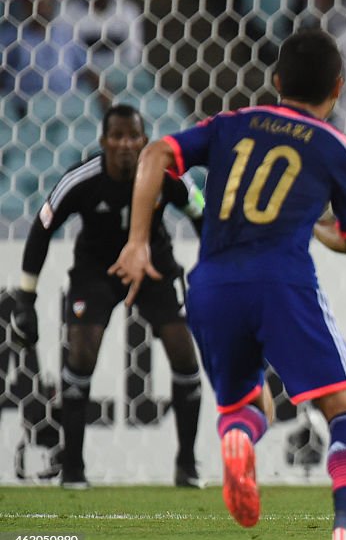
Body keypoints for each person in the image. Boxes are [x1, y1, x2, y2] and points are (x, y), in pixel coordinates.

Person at [108, 29, 346, 540]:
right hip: (282, 282)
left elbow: (154, 154)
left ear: (276, 81)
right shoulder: (338, 148)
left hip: (211, 284)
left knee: (248, 400)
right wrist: (315, 227)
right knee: (343, 409)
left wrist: (138, 241)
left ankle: (237, 437)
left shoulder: (230, 125)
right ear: (338, 87)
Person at [9, 104, 205, 489]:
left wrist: (212, 265)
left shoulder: (166, 175)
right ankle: (73, 469)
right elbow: (42, 227)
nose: (126, 145)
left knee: (184, 352)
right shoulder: (82, 179)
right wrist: (26, 297)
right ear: (103, 142)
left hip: (153, 265)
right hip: (96, 272)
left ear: (145, 140)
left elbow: (200, 213)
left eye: (134, 136)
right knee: (81, 354)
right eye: (117, 137)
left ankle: (187, 464)